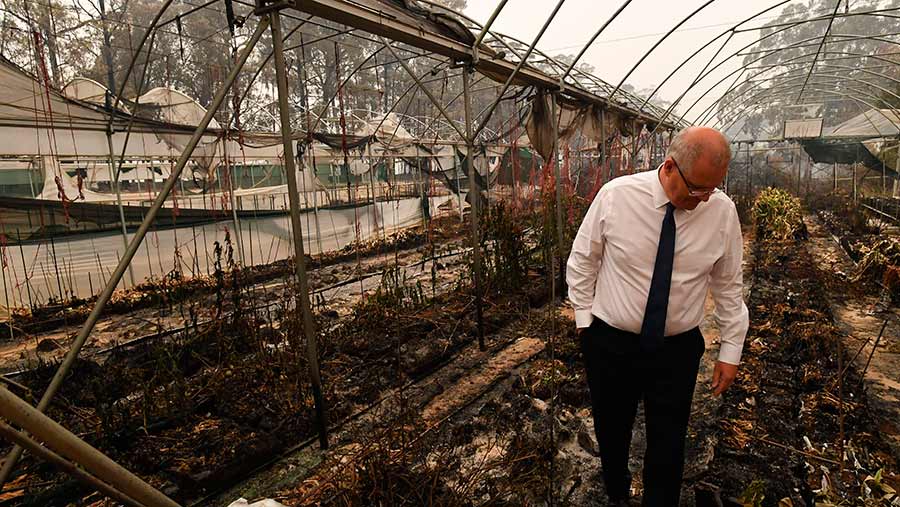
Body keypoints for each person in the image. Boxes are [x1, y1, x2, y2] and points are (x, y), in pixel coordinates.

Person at [566, 126, 748, 506]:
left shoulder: (721, 212)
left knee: (669, 441)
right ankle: (617, 492)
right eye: (697, 188)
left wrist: (730, 351)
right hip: (612, 342)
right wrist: (585, 322)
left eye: (711, 189)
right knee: (612, 430)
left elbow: (728, 285)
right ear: (669, 167)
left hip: (676, 350)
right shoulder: (617, 197)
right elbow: (584, 260)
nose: (702, 198)